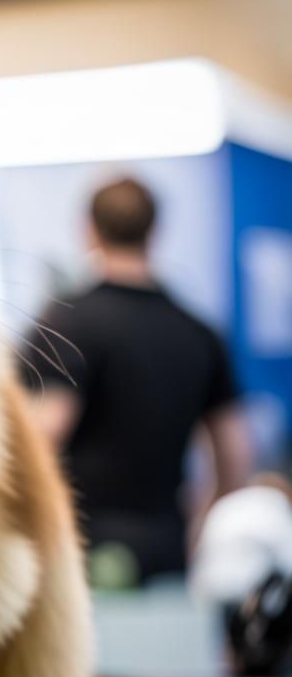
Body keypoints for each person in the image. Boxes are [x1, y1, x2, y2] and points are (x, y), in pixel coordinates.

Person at [24, 176, 251, 582]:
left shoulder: (66, 324)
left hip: (86, 552)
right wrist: (200, 523)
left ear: (89, 230)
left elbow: (44, 434)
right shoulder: (199, 332)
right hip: (169, 547)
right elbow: (234, 455)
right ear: (154, 232)